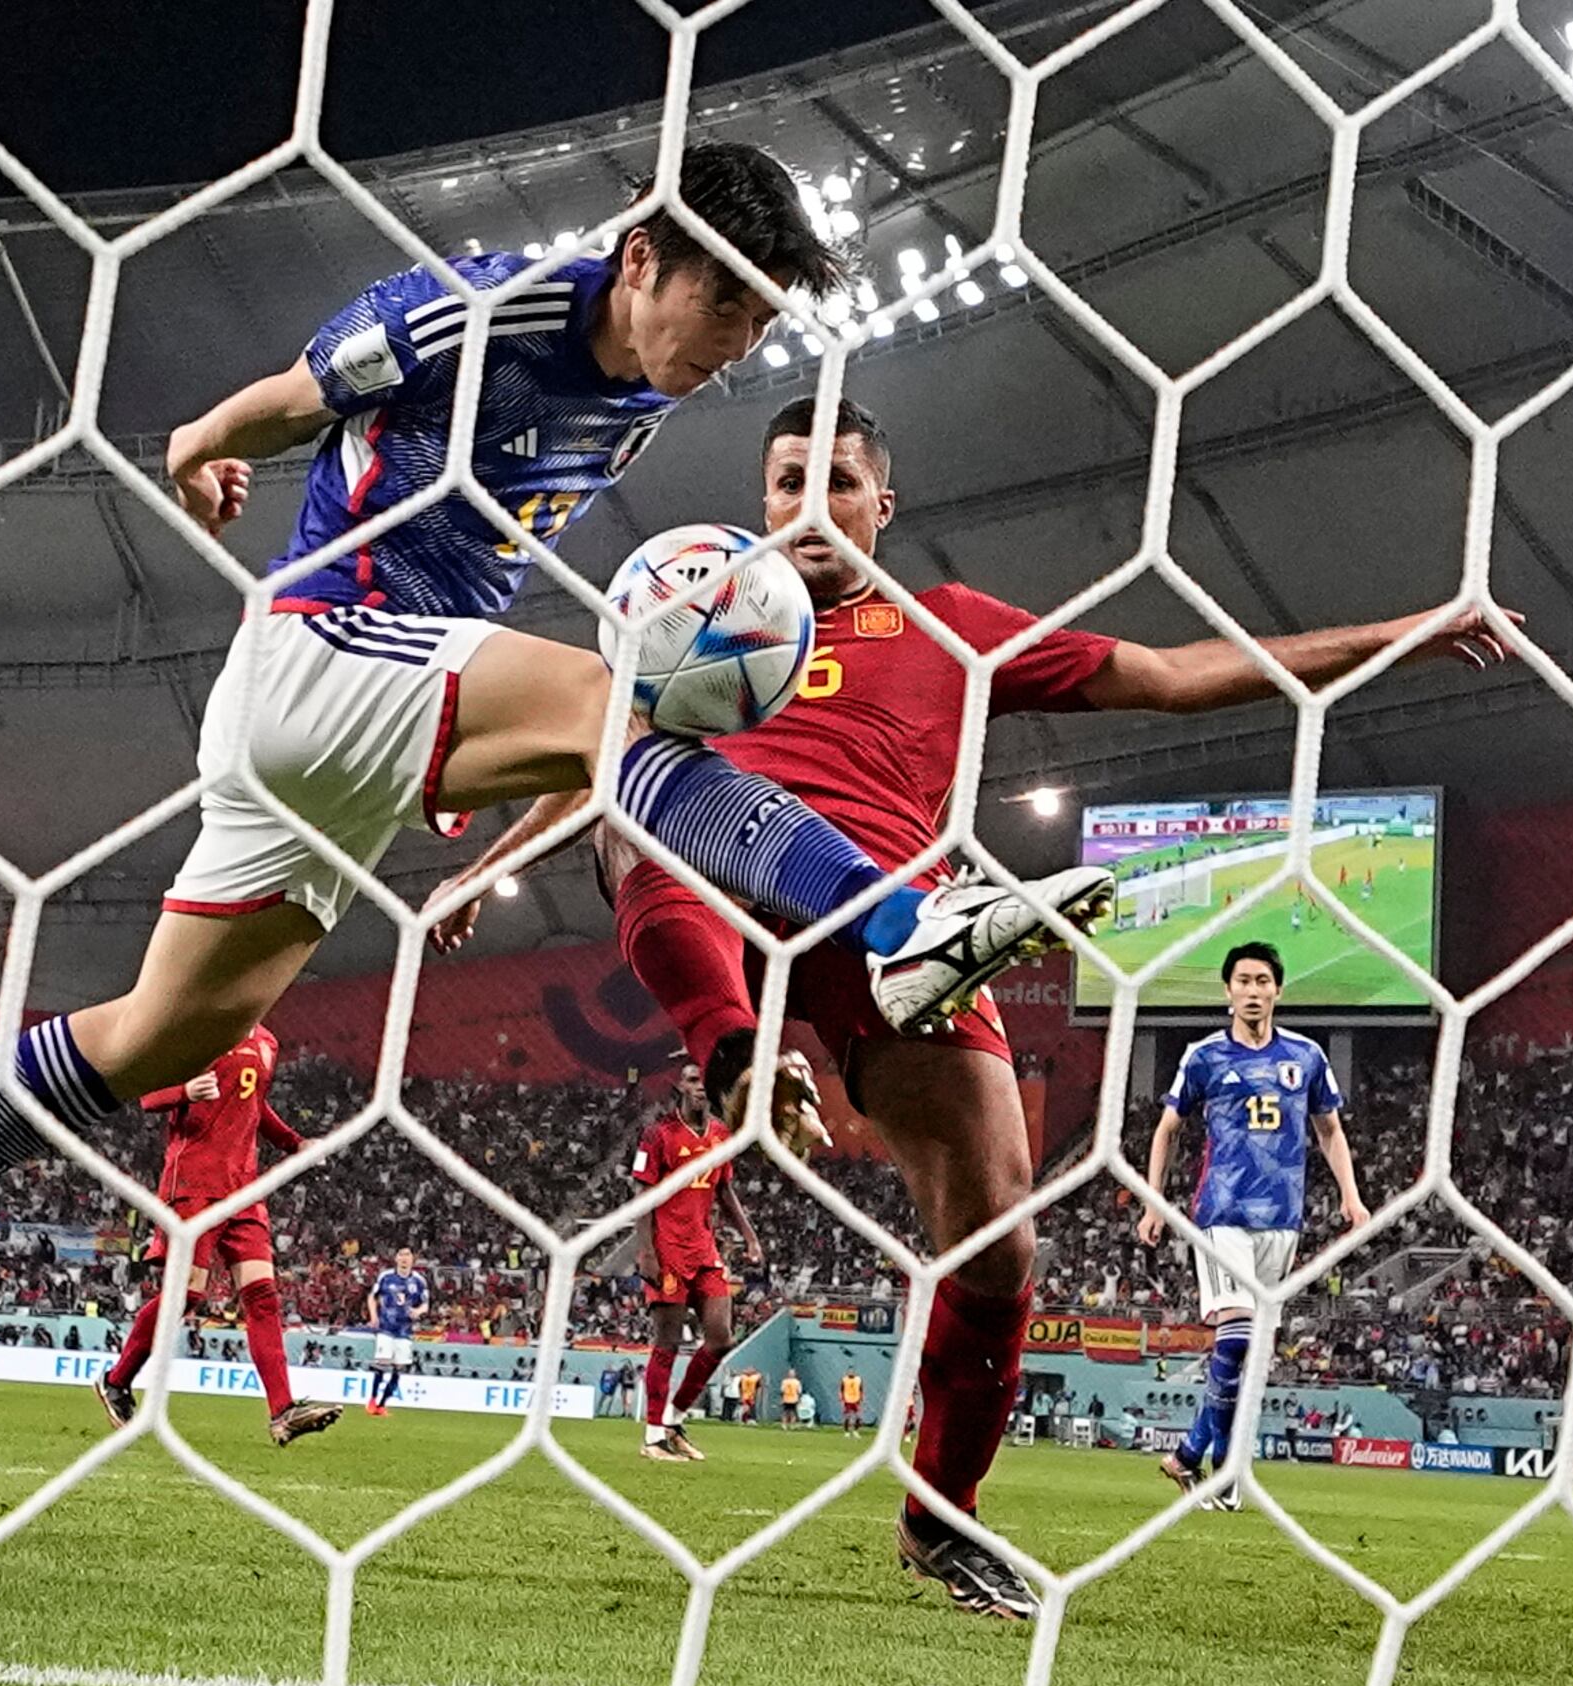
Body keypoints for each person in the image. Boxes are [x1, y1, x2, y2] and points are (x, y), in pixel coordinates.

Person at [0, 145, 1112, 1420]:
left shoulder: (643, 395)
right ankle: (896, 921)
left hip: (354, 721)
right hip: (321, 651)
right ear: (645, 259)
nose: (733, 353)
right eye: (728, 310)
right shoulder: (479, 307)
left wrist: (459, 734)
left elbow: (487, 543)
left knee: (156, 1036)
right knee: (620, 703)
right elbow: (297, 395)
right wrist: (201, 441)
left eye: (761, 328)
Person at [435, 398, 1508, 1618]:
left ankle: (941, 1517)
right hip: (724, 877)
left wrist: (1410, 634)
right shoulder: (702, 618)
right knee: (653, 825)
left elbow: (1168, 675)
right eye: (785, 483)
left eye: (837, 484)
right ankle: (733, 1052)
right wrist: (481, 870)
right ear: (759, 494)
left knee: (997, 1237)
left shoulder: (950, 629)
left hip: (899, 936)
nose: (807, 510)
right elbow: (608, 756)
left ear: (882, 506)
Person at [1139, 942, 1368, 1516]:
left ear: (1277, 991)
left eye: (1263, 980)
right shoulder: (1204, 1056)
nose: (1253, 990)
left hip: (1282, 1222)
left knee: (1248, 1356)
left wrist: (1352, 1195)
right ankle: (1205, 1459)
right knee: (1236, 1337)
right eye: (1243, 980)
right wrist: (1152, 1203)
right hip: (1221, 1214)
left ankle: (1209, 1461)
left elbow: (1330, 1131)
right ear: (1228, 991)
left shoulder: (1308, 1056)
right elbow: (1167, 1129)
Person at [95, 1024, 333, 1443]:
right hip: (193, 1185)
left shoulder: (267, 1041)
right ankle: (117, 1380)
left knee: (263, 1297)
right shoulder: (198, 1026)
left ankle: (282, 1412)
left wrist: (295, 1144)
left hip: (244, 1189)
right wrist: (184, 1092)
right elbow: (149, 1096)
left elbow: (255, 1105)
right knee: (188, 1295)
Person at [634, 1063, 760, 1463]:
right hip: (667, 1249)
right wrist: (646, 1251)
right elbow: (643, 1196)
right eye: (692, 1080)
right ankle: (653, 1437)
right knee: (667, 1341)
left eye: (705, 1081)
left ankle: (674, 1419)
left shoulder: (722, 1135)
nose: (700, 1088)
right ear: (680, 1086)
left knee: (721, 1338)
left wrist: (750, 1235)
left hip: (704, 1249)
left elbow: (724, 1189)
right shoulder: (659, 1136)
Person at [365, 1248, 430, 1417]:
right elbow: (372, 1296)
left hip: (405, 1330)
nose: (404, 1258)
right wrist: (373, 1316)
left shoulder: (419, 1281)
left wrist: (418, 1311)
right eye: (401, 1255)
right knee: (382, 1363)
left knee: (399, 1368)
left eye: (408, 1255)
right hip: (386, 1327)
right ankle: (372, 1400)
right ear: (396, 1259)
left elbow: (426, 1304)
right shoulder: (386, 1276)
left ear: (412, 1260)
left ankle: (381, 1405)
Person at [841, 1367, 865, 1437]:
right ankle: (847, 1432)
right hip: (847, 1400)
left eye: (852, 1371)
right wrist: (842, 1399)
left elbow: (861, 1389)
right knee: (847, 1417)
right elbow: (841, 1389)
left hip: (856, 1400)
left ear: (854, 1372)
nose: (851, 1372)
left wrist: (861, 1397)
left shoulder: (858, 1379)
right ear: (847, 1372)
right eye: (849, 1371)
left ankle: (855, 1431)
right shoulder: (844, 1380)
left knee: (858, 1416)